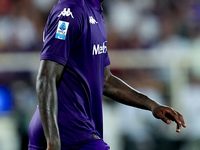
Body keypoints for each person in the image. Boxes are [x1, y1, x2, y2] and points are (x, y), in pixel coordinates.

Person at [28, 0, 186, 150]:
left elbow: (106, 81)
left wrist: (152, 105)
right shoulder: (70, 11)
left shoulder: (95, 11)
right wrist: (53, 141)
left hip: (77, 129)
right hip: (68, 132)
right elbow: (46, 77)